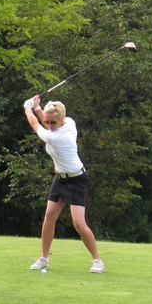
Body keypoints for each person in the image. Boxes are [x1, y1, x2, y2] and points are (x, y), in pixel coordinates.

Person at [22, 95, 104, 273]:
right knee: (49, 217)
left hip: (77, 180)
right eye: (48, 122)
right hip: (60, 178)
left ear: (61, 120)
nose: (49, 126)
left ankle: (97, 260)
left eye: (52, 122)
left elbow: (36, 125)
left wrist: (27, 108)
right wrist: (38, 108)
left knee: (78, 223)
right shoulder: (69, 123)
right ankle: (44, 258)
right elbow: (44, 120)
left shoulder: (56, 137)